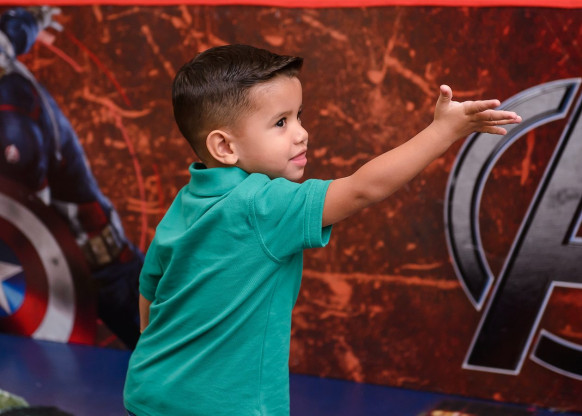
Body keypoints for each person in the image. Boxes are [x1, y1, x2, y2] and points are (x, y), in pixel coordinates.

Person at [123, 44, 521, 416]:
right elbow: (363, 188)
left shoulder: (186, 200)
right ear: (225, 147)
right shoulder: (263, 204)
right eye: (281, 122)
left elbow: (149, 289)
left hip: (148, 390)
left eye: (299, 116)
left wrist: (162, 357)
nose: (301, 132)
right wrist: (443, 132)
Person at [0, 7, 143, 348]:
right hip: (48, 264)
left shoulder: (11, 114)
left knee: (178, 354)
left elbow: (27, 219)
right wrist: (34, 20)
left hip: (87, 264)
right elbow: (13, 33)